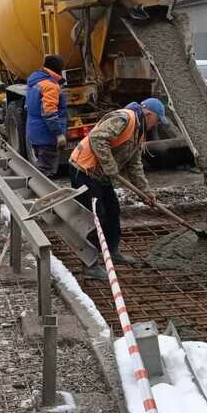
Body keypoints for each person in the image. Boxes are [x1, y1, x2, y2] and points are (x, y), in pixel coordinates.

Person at [69, 98, 167, 280]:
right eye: (157, 119)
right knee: (95, 217)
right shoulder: (124, 119)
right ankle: (89, 265)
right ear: (148, 114)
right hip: (84, 170)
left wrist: (145, 192)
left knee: (113, 211)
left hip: (102, 174)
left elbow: (134, 165)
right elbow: (98, 137)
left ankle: (113, 252)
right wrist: (110, 166)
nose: (157, 124)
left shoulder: (139, 131)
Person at [25, 55, 67, 177]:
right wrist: (58, 134)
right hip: (47, 136)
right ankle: (41, 194)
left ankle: (39, 192)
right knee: (45, 173)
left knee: (42, 168)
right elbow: (49, 113)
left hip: (35, 132)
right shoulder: (50, 86)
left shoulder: (35, 80)